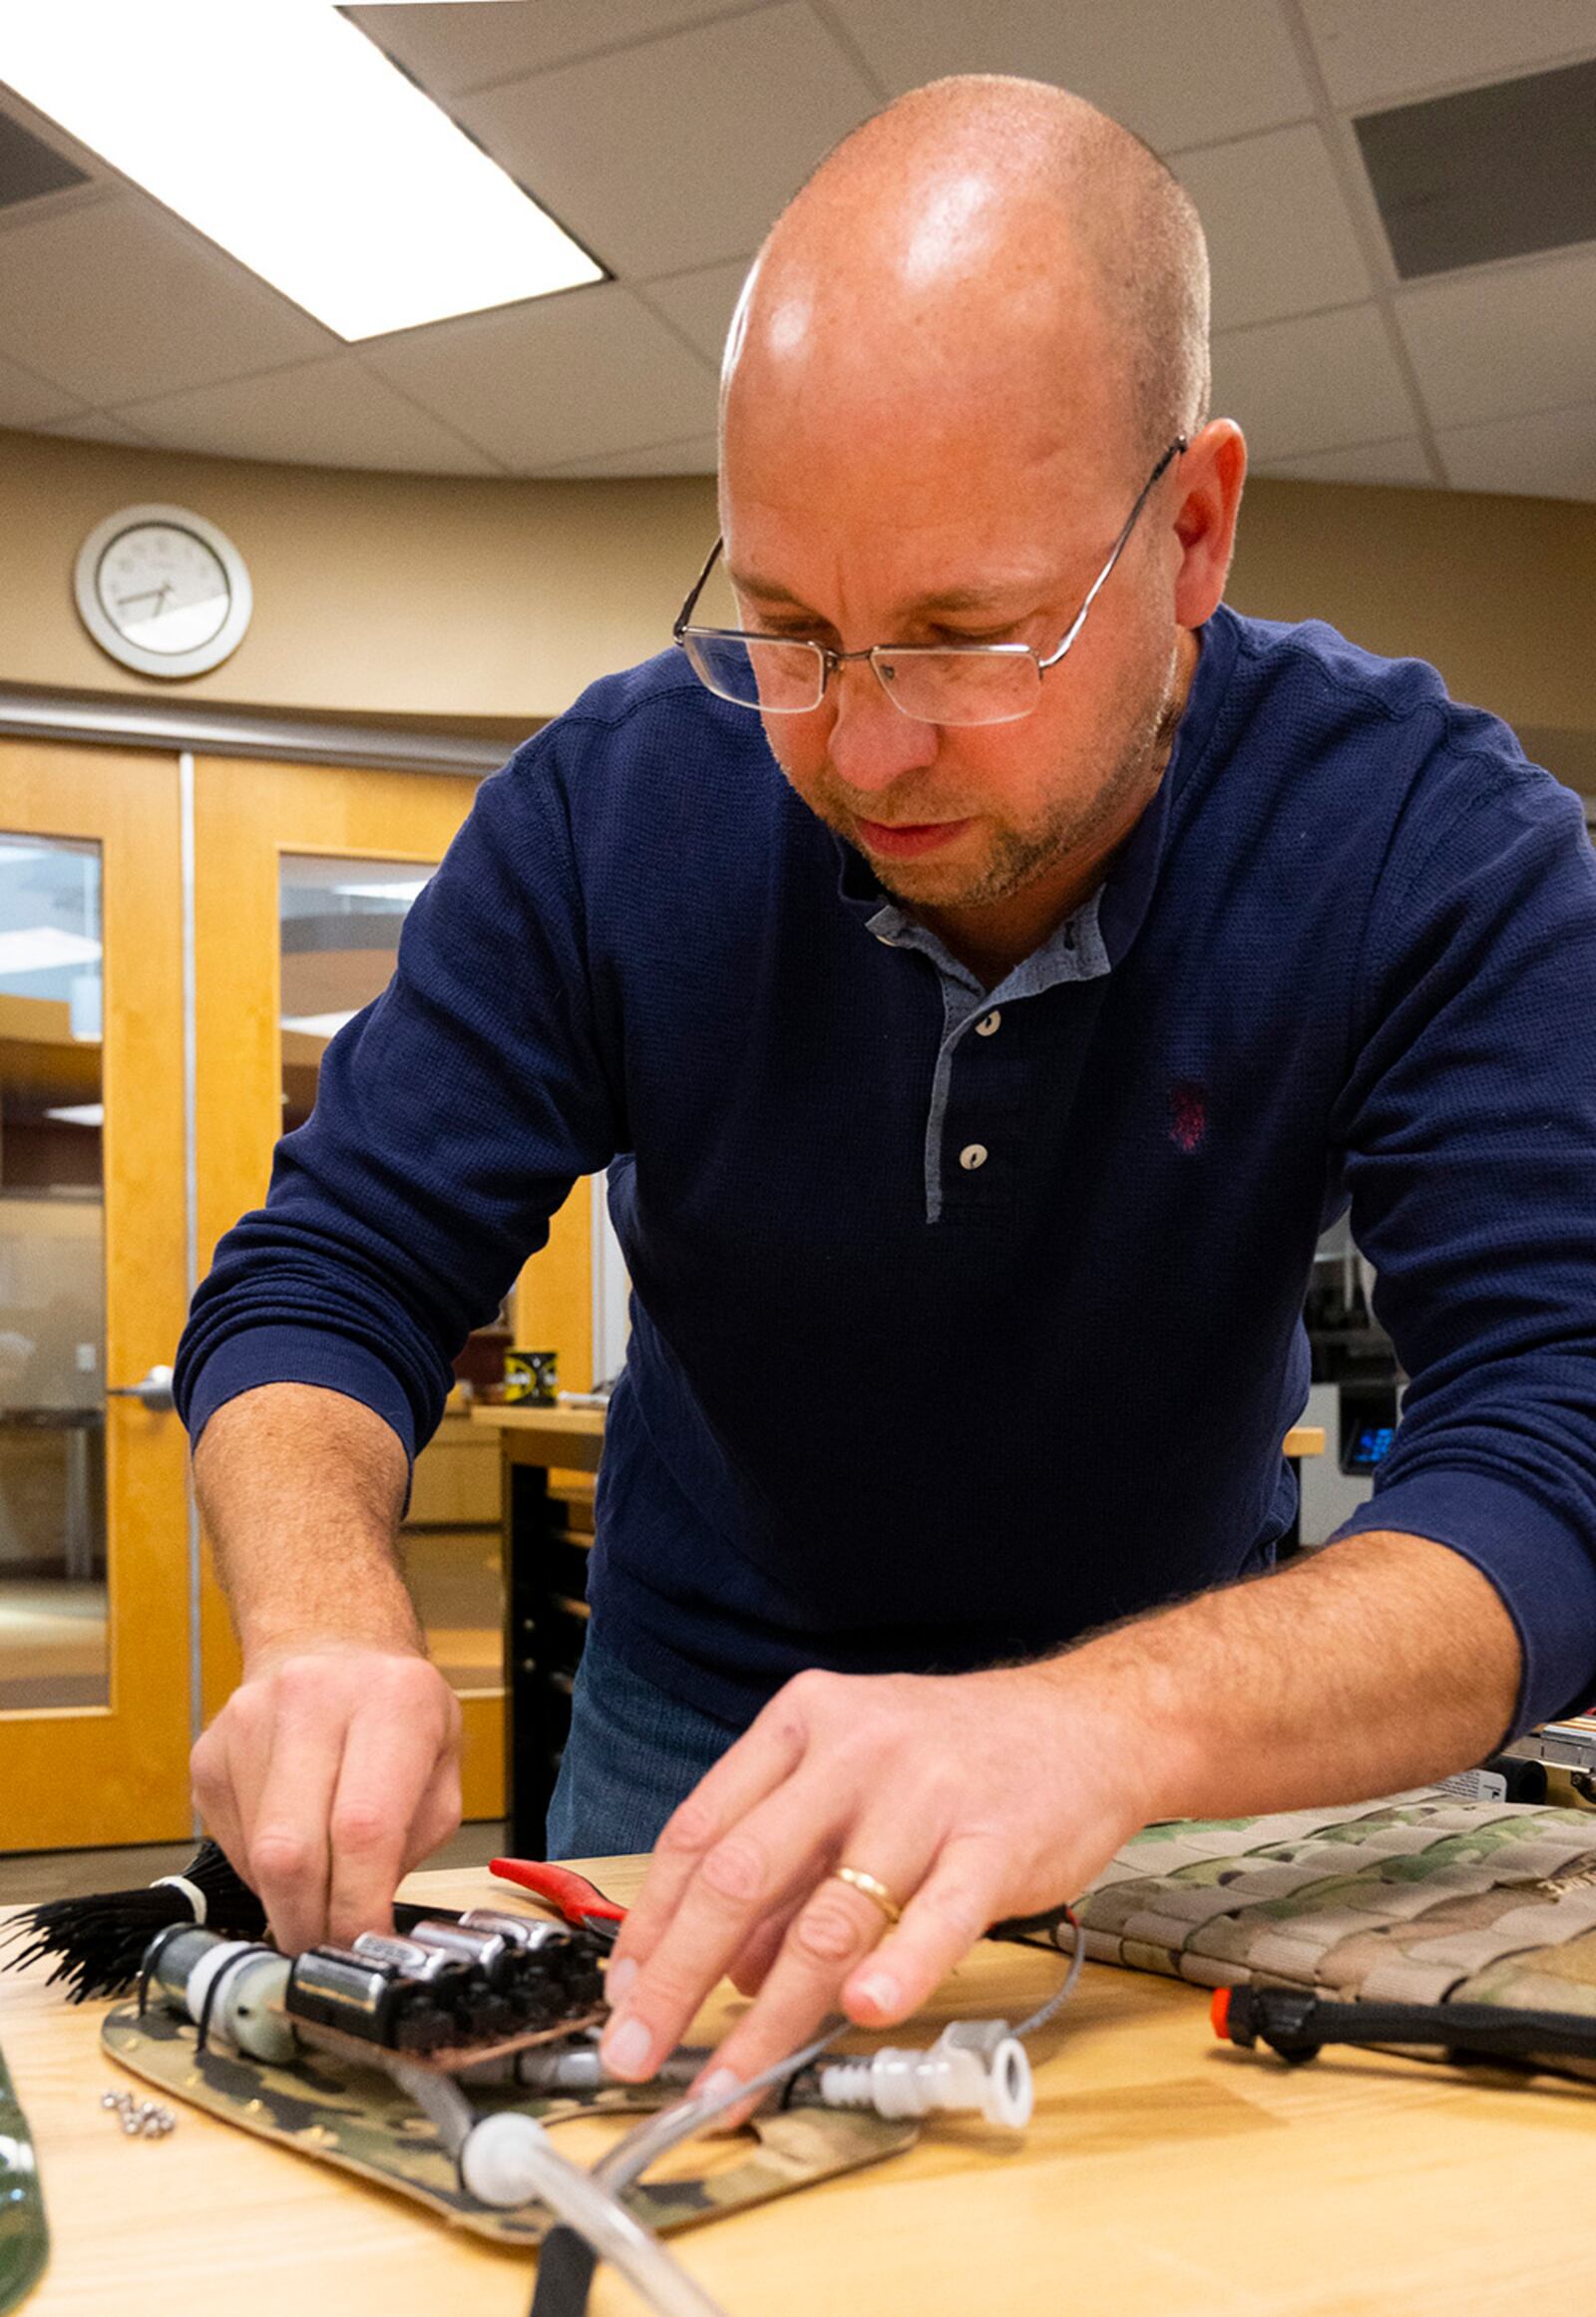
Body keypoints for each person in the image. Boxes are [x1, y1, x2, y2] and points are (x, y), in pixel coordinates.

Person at [176, 75, 1596, 2112]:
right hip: (698, 1720)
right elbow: (333, 1265)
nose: (860, 745)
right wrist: (320, 1621)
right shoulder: (610, 806)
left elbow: (1551, 1458)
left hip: (1174, 1759)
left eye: (961, 638)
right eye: (783, 629)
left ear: (1189, 532)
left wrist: (1095, 1727)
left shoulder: (1431, 843)